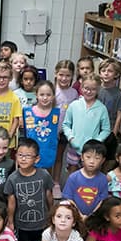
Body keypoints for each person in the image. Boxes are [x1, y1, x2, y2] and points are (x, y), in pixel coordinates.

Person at [4, 137, 53, 241]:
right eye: (20, 155)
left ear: (36, 159)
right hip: (21, 225)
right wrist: (10, 221)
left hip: (41, 223)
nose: (23, 159)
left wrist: (51, 215)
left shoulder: (44, 174)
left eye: (28, 156)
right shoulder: (12, 178)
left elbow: (49, 195)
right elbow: (11, 202)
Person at [62, 74, 110, 174]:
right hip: (75, 147)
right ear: (81, 87)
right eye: (86, 88)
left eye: (93, 89)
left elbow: (106, 129)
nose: (88, 92)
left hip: (92, 151)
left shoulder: (101, 108)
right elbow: (66, 124)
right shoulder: (74, 105)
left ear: (98, 90)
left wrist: (97, 141)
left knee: (89, 175)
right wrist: (71, 138)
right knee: (72, 174)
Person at [63, 139, 110, 219]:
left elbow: (102, 200)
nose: (92, 161)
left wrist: (91, 216)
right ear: (82, 157)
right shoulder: (73, 177)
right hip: (74, 217)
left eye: (97, 158)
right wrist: (80, 215)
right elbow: (69, 198)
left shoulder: (103, 179)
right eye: (88, 157)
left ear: (102, 160)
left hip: (94, 218)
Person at [53, 60, 79, 198]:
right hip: (49, 130)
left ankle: (56, 182)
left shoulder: (74, 93)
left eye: (68, 76)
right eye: (61, 74)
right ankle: (45, 180)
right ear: (56, 74)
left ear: (72, 76)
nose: (64, 78)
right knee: (46, 157)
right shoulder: (51, 90)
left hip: (64, 131)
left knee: (58, 157)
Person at [23, 80, 60, 171]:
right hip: (31, 153)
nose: (45, 98)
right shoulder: (28, 112)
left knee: (46, 176)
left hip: (48, 152)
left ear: (53, 96)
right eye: (42, 94)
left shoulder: (56, 113)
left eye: (48, 95)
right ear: (36, 95)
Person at [97, 58, 121, 171]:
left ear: (116, 74)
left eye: (110, 71)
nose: (106, 73)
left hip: (110, 130)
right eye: (103, 70)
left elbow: (119, 113)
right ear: (99, 73)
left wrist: (114, 132)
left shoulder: (118, 93)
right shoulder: (97, 89)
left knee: (109, 158)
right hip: (96, 129)